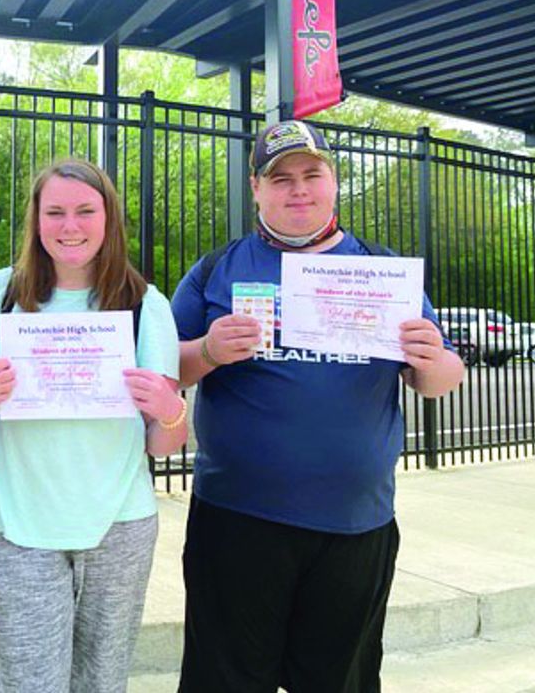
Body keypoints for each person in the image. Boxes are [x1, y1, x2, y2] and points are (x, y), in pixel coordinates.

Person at [170, 119, 465, 693]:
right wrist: (206, 350)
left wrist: (431, 359)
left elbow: (440, 378)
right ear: (256, 188)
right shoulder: (216, 270)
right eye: (280, 178)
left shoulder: (383, 272)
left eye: (312, 174)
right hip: (237, 520)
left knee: (341, 681)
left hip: (356, 526)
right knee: (225, 680)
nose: (298, 189)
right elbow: (160, 372)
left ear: (334, 181)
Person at [0, 158, 186, 693]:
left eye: (85, 211)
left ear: (109, 219)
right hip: (15, 526)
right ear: (35, 220)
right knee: (32, 682)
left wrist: (171, 411)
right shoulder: (0, 294)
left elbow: (163, 443)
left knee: (103, 682)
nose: (70, 226)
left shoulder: (144, 305)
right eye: (54, 212)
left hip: (119, 525)